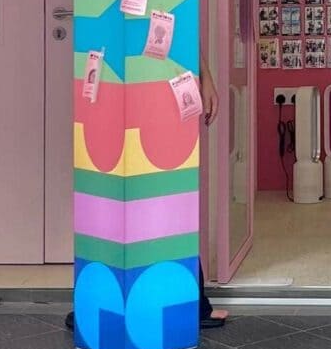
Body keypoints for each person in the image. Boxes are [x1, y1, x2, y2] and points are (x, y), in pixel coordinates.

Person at [67, 60, 225, 333]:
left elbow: (188, 33)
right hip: (114, 89)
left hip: (158, 91)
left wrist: (205, 77)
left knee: (168, 198)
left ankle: (191, 302)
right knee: (109, 198)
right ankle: (99, 302)